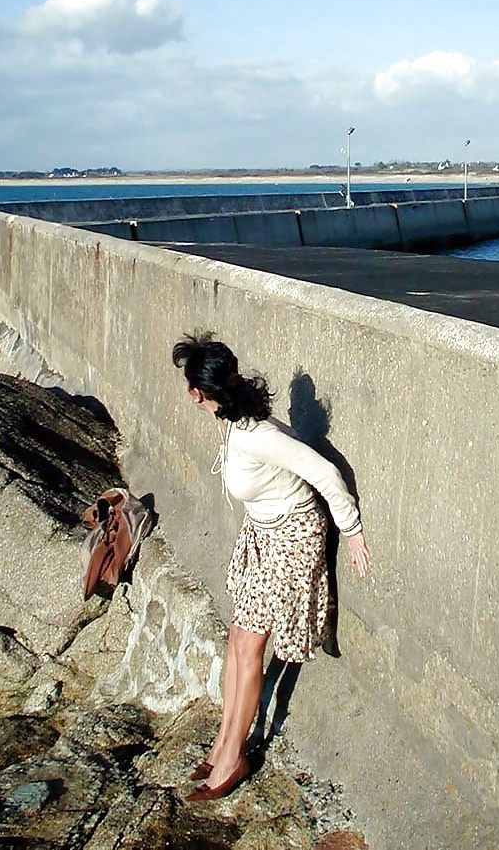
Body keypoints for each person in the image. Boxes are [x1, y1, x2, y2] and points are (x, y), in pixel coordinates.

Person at [172, 331, 370, 801]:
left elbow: (323, 471)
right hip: (263, 532)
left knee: (251, 646)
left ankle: (234, 758)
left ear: (198, 394)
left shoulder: (254, 434)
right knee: (237, 640)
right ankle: (223, 742)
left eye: (189, 385)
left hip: (291, 536)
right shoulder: (232, 418)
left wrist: (352, 528)